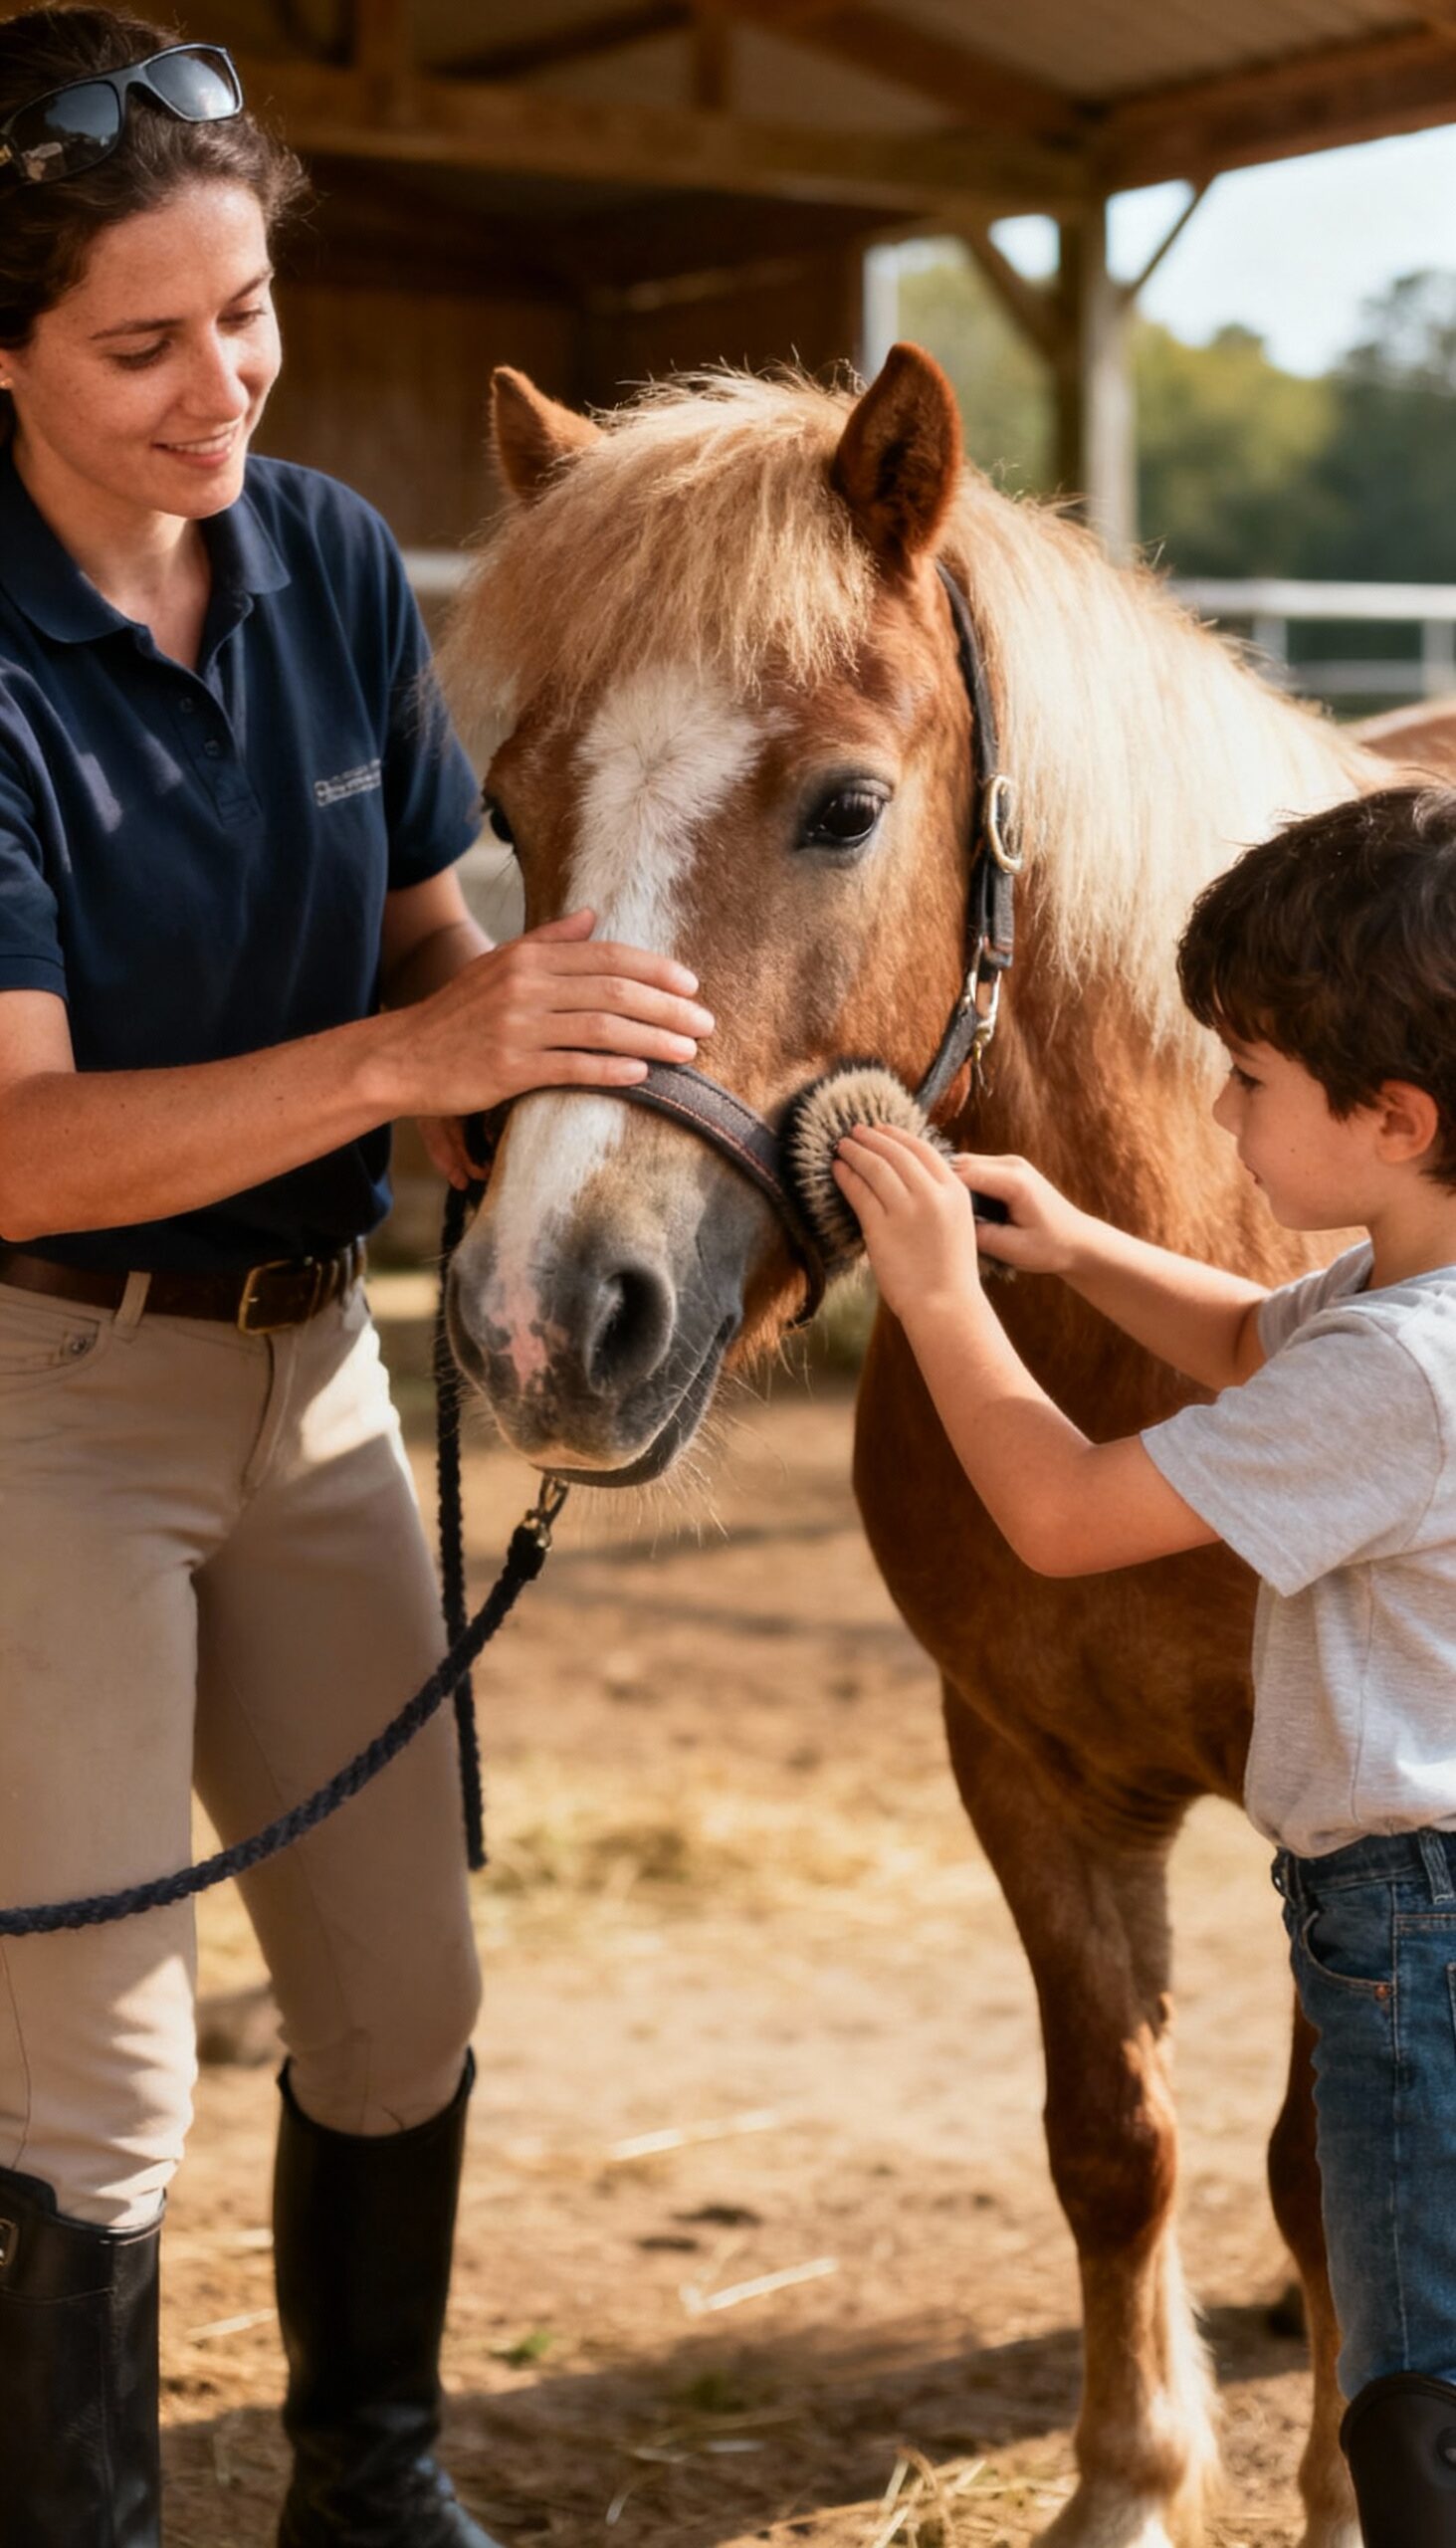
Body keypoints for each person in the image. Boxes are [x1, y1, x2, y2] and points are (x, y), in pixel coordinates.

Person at [0, 11, 715, 2545]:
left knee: (405, 1993)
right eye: (143, 344)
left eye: (250, 313)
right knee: (90, 2070)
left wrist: (540, 1085)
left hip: (308, 1368)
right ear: (2, 355)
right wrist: (415, 1052)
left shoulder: (312, 550)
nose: (223, 386)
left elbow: (427, 936)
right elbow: (17, 1136)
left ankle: (371, 2486)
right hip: (47, 1395)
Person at [834, 782, 1456, 2548]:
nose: (1217, 1109)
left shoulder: (1398, 1372)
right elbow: (1250, 1339)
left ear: (1395, 1117)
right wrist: (1075, 1240)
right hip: (1416, 1908)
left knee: (1418, 2377)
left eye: (1248, 1077)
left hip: (1416, 1933)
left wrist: (940, 1294)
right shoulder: (1398, 1300)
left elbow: (1056, 1514)